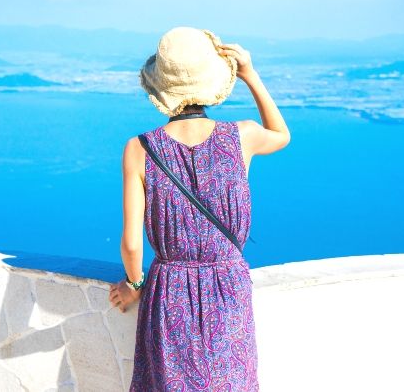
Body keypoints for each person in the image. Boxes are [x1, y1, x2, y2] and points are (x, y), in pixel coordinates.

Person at [108, 26, 290, 391]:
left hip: (169, 289)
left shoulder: (139, 149)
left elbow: (131, 245)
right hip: (228, 286)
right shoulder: (243, 135)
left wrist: (134, 285)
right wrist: (251, 74)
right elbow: (282, 133)